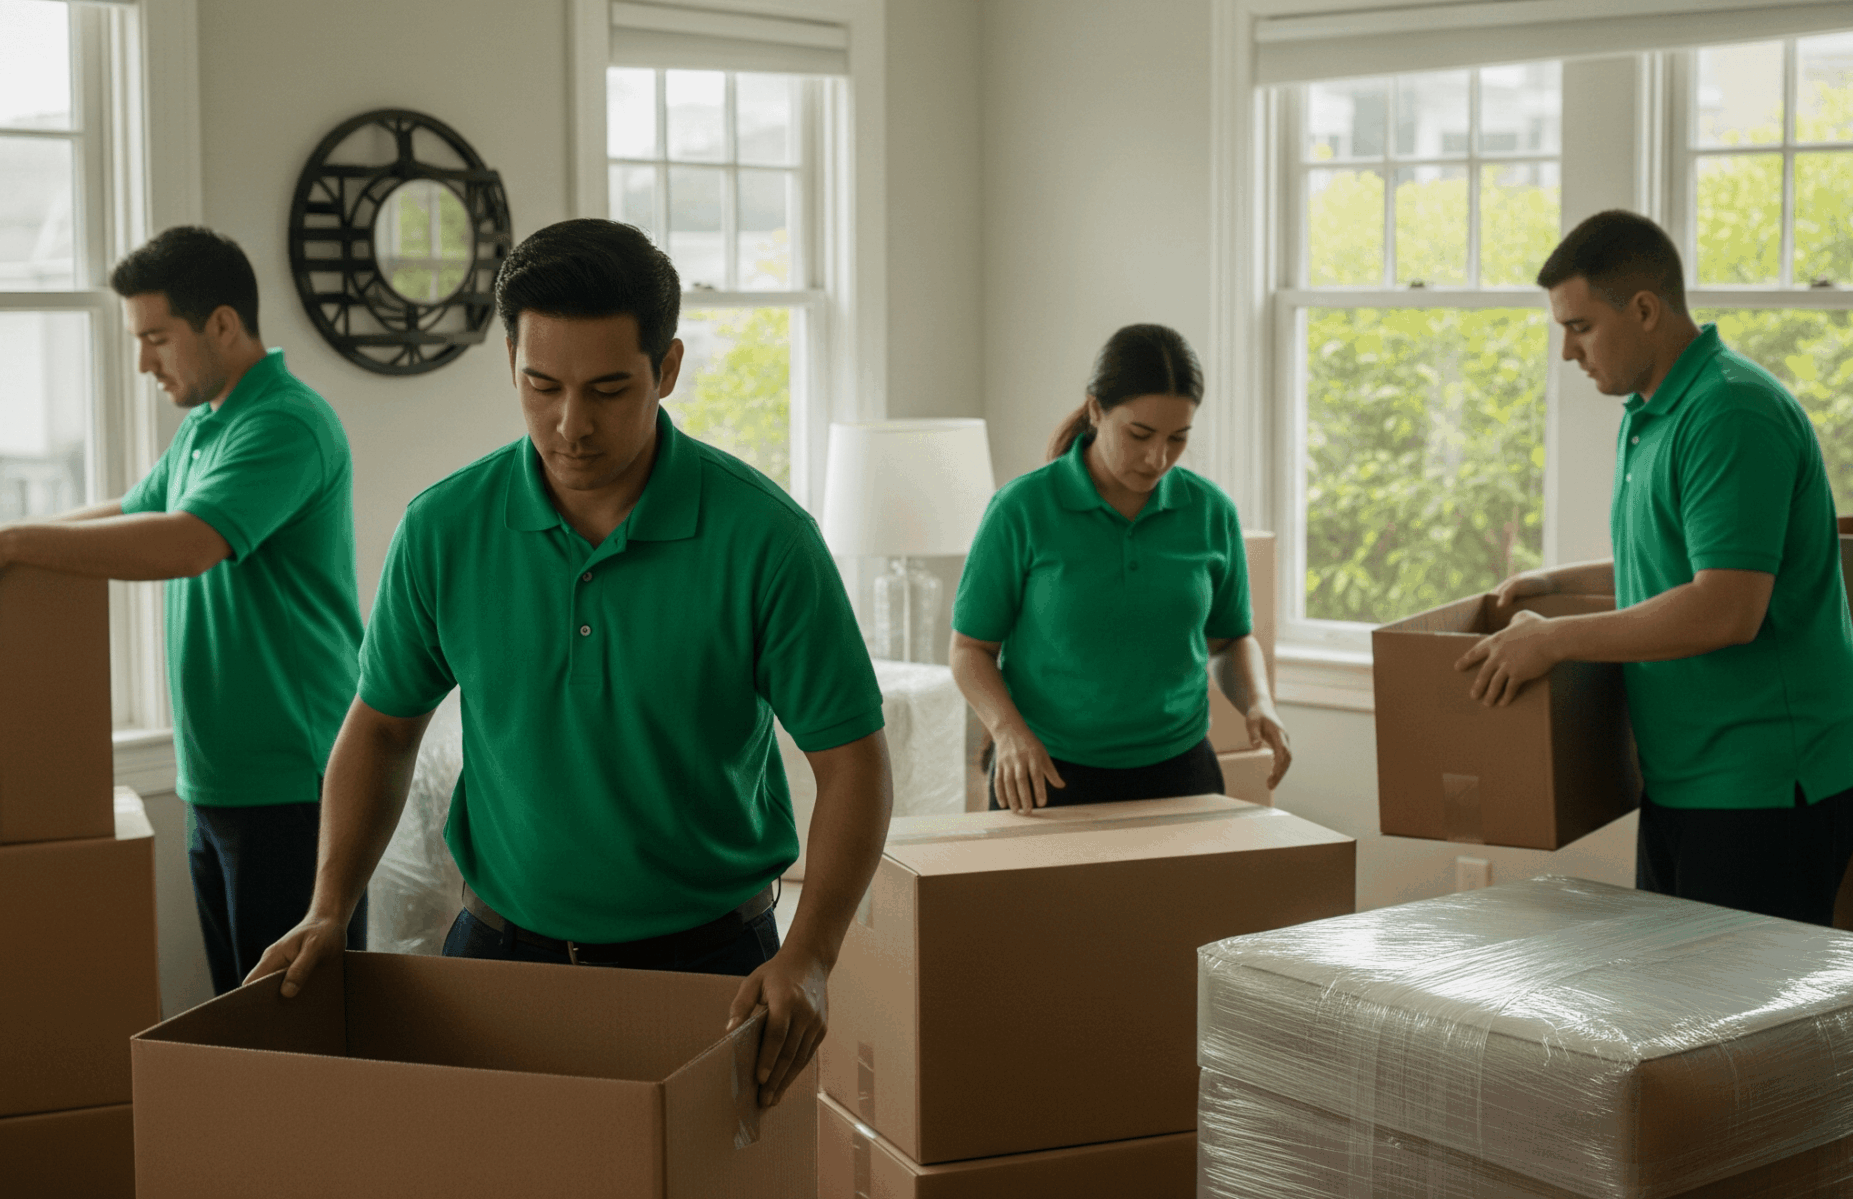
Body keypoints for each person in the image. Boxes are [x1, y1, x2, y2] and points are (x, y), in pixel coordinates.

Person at [248, 219, 890, 1108]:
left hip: (712, 971)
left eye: (608, 390)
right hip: (500, 958)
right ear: (509, 359)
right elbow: (384, 728)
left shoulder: (766, 542)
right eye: (540, 385)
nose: (569, 424)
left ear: (666, 371)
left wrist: (812, 955)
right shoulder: (443, 530)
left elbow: (853, 761)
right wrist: (328, 905)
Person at [0, 226, 365, 996]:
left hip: (290, 779)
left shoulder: (284, 423)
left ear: (220, 323)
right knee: (240, 1022)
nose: (144, 361)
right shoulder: (207, 427)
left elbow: (185, 542)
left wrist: (10, 542)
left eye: (156, 338)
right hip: (216, 777)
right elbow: (130, 511)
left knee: (299, 1032)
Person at [1460, 211, 1853, 926]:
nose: (1567, 352)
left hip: (1769, 785)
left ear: (1645, 311)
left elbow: (1726, 607)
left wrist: (1554, 639)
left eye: (1580, 327)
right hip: (1687, 778)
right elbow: (1673, 568)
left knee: (1739, 1030)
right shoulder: (1651, 412)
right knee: (1678, 1017)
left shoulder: (1729, 412)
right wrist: (1558, 585)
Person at [950, 324, 1289, 814]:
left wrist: (1259, 701)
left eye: (1179, 438)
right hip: (1046, 774)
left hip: (1182, 772)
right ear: (1095, 410)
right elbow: (970, 650)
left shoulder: (1210, 511)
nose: (1158, 457)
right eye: (1140, 434)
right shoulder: (1021, 509)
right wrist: (1009, 732)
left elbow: (1231, 640)